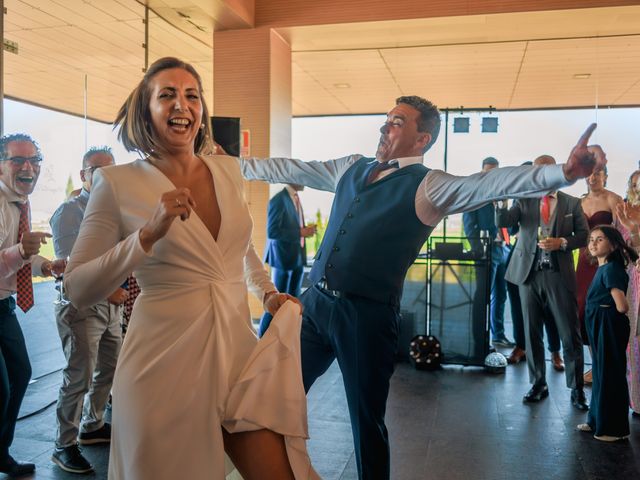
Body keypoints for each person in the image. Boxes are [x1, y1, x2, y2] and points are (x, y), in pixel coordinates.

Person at [239, 94, 606, 479]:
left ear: (422, 140)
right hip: (315, 306)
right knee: (269, 397)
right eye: (386, 119)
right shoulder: (350, 167)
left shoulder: (429, 186)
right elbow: (289, 167)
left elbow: (492, 183)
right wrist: (229, 167)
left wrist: (562, 173)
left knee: (367, 425)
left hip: (366, 318)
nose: (384, 127)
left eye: (396, 121)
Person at [63, 57, 318, 480]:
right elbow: (77, 288)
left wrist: (268, 293)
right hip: (161, 366)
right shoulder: (117, 183)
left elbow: (238, 249)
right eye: (167, 95)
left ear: (201, 112)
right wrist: (146, 235)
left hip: (235, 350)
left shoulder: (228, 170)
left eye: (191, 95)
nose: (181, 104)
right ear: (147, 110)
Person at [50, 147, 125, 474]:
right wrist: (110, 290)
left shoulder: (114, 208)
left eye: (110, 170)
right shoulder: (69, 211)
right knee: (78, 376)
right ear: (83, 175)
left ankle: (92, 426)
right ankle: (63, 445)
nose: (105, 175)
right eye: (97, 169)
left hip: (112, 305)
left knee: (108, 368)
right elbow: (70, 267)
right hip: (81, 306)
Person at [496, 154, 589, 410]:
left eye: (545, 170)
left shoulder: (571, 203)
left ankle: (576, 388)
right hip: (528, 274)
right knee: (531, 332)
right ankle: (538, 384)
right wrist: (500, 204)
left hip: (559, 274)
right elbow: (505, 223)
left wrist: (562, 243)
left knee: (570, 333)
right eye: (537, 170)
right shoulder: (524, 200)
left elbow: (584, 235)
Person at [0, 133, 65, 478]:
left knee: (21, 373)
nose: (28, 168)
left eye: (34, 160)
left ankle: (1, 451)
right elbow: (13, 254)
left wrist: (44, 265)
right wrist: (21, 253)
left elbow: (19, 254)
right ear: (1, 164)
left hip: (2, 307)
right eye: (18, 160)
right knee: (1, 386)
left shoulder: (18, 203)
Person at [577, 225, 636, 441]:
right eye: (591, 239)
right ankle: (596, 421)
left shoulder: (611, 269)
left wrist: (602, 309)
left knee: (610, 375)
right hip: (600, 325)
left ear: (612, 244)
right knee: (600, 374)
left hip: (609, 326)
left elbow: (622, 306)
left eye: (599, 239)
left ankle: (614, 429)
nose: (593, 243)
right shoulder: (602, 268)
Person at [575, 166, 621, 384]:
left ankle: (604, 366)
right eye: (589, 174)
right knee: (584, 310)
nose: (592, 177)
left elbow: (622, 234)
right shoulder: (579, 202)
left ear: (605, 176)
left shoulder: (613, 199)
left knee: (604, 312)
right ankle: (594, 364)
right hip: (584, 262)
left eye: (597, 174)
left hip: (605, 262)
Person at [463, 157, 514, 348]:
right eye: (487, 171)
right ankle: (479, 339)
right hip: (486, 251)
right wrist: (479, 250)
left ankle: (498, 335)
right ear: (482, 172)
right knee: (482, 296)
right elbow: (469, 227)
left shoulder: (502, 195)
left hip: (504, 250)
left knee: (501, 295)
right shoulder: (475, 195)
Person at [259, 184, 316, 336]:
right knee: (276, 302)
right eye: (302, 177)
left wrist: (304, 232)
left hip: (296, 257)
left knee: (292, 301)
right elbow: (272, 231)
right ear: (293, 177)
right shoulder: (279, 200)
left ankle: (284, 336)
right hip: (282, 259)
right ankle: (262, 337)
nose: (305, 181)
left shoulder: (295, 198)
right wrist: (300, 232)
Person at [615, 175, 640, 417]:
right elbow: (617, 246)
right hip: (631, 278)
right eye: (634, 183)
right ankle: (636, 399)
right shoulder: (623, 210)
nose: (637, 187)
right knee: (632, 336)